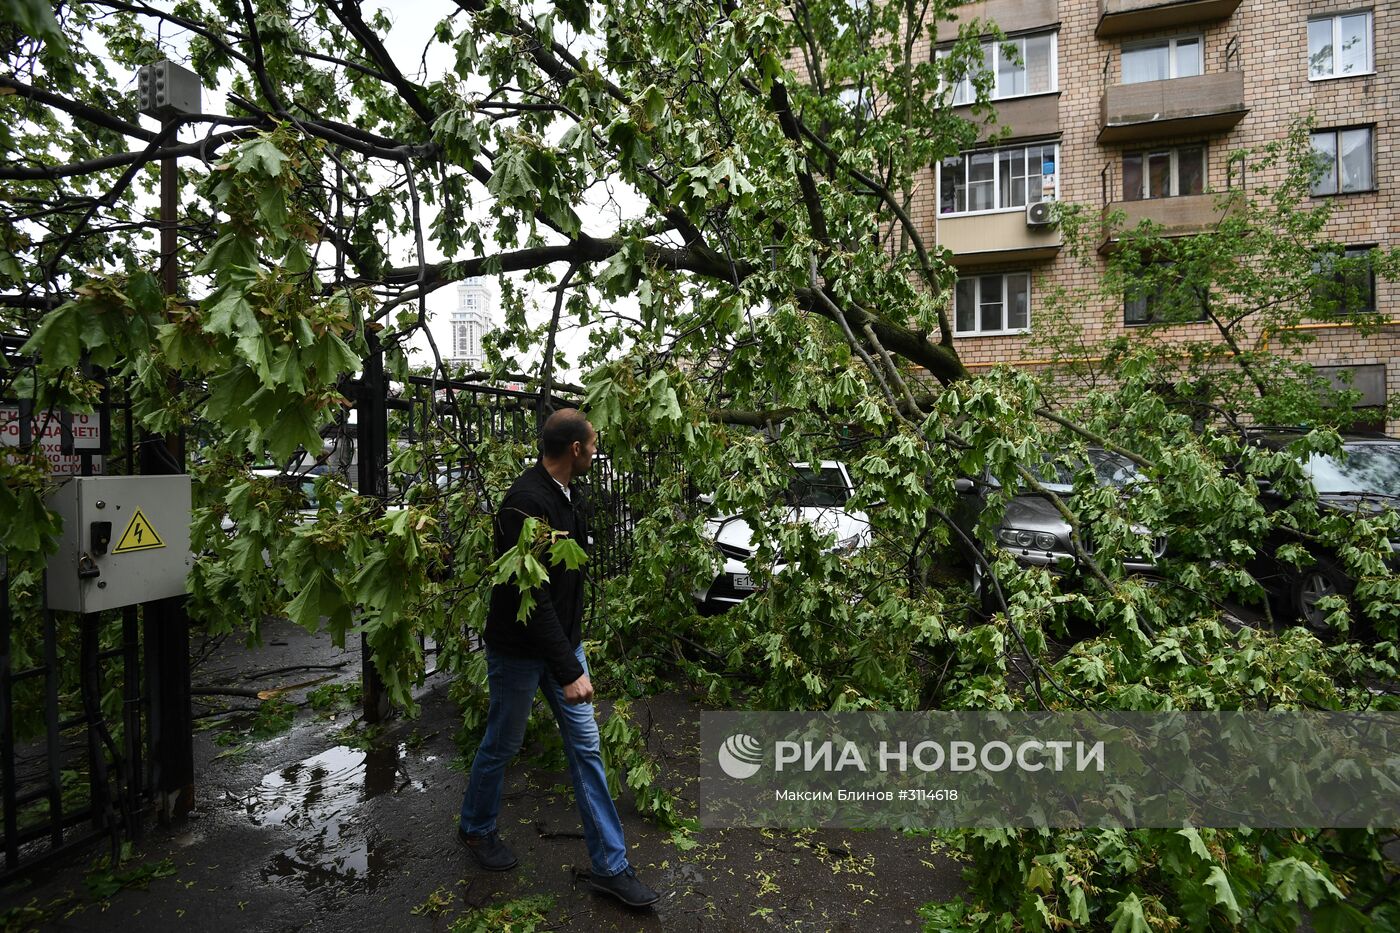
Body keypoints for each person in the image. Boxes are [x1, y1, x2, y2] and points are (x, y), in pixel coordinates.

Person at [457, 408, 661, 908]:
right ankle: (476, 828)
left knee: (587, 750)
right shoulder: (524, 505)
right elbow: (534, 599)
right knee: (502, 744)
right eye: (593, 444)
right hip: (521, 654)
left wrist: (574, 647)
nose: (596, 450)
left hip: (563, 646)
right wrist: (569, 669)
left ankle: (611, 866)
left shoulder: (567, 495)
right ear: (575, 449)